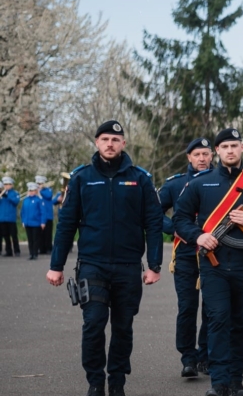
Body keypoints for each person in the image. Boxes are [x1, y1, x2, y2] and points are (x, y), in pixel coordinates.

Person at [46, 120, 163, 396]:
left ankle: (118, 382)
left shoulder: (140, 178)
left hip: (128, 267)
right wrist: (56, 265)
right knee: (94, 323)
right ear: (97, 143)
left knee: (123, 327)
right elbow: (66, 224)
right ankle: (95, 382)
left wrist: (154, 264)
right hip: (92, 265)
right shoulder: (81, 178)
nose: (110, 143)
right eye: (105, 139)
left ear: (123, 144)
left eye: (115, 139)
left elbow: (154, 223)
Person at [173, 128, 243, 396]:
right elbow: (180, 219)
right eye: (224, 147)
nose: (230, 151)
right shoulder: (201, 183)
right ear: (217, 152)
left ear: (242, 148)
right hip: (214, 267)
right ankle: (219, 382)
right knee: (219, 320)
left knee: (240, 323)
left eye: (235, 146)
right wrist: (199, 236)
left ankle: (236, 380)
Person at [159, 137, 214, 378]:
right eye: (197, 154)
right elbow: (154, 213)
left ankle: (206, 354)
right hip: (184, 254)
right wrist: (175, 229)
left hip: (215, 253)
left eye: (206, 154)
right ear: (189, 157)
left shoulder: (220, 181)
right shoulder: (174, 185)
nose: (202, 158)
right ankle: (188, 357)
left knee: (213, 308)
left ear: (212, 156)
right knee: (188, 307)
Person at [21, 182, 45, 260]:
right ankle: (31, 253)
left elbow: (42, 212)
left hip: (36, 223)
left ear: (36, 191)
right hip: (28, 223)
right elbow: (23, 212)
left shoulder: (39, 200)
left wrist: (42, 222)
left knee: (35, 239)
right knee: (30, 240)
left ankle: (35, 254)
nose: (31, 192)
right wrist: (23, 221)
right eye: (30, 190)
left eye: (33, 190)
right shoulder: (26, 200)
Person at [0, 176, 21, 257]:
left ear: (12, 185)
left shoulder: (15, 193)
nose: (6, 186)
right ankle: (8, 251)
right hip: (2, 218)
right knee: (6, 236)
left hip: (11, 218)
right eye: (5, 184)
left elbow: (16, 202)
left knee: (14, 235)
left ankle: (17, 251)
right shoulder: (1, 193)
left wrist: (7, 196)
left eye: (8, 184)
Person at [35, 175, 54, 254]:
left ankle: (49, 248)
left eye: (40, 183)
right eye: (38, 183)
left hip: (48, 215)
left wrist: (40, 191)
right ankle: (41, 248)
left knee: (48, 233)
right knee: (40, 234)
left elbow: (49, 196)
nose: (39, 185)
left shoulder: (48, 190)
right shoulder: (35, 191)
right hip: (39, 216)